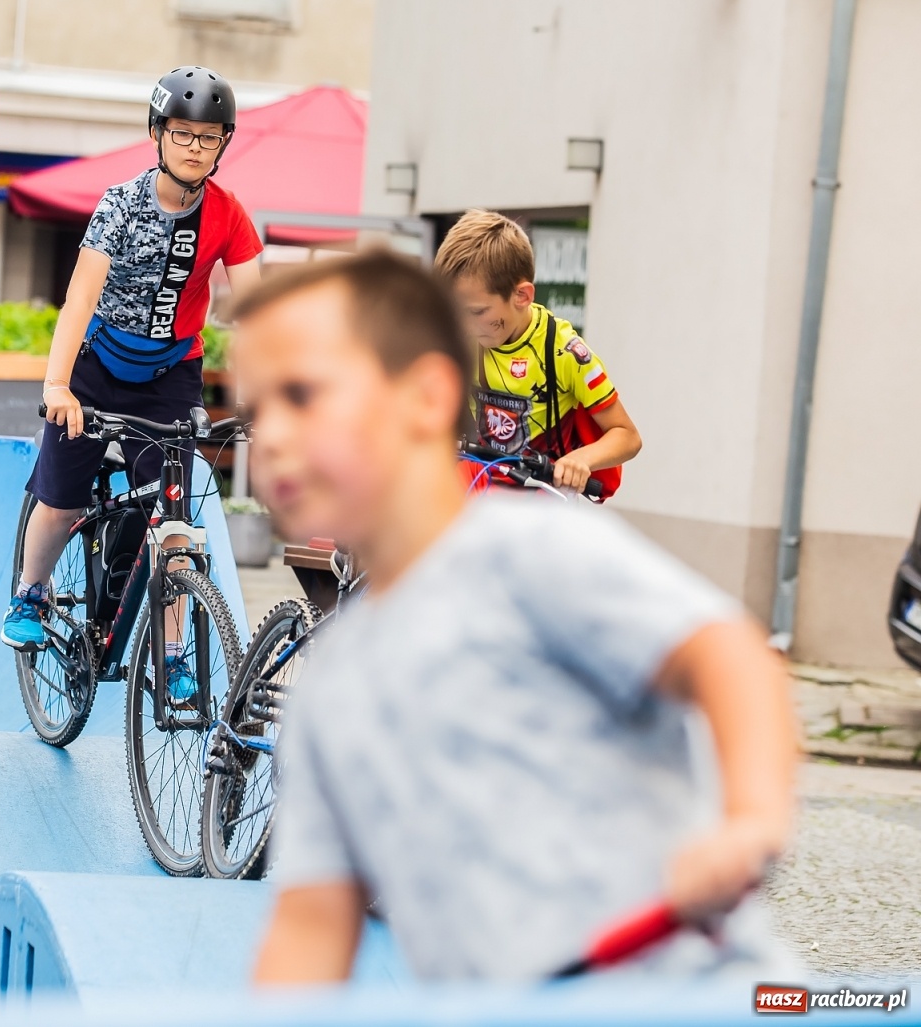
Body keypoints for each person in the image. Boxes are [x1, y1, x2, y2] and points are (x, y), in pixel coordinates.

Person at [231, 251, 797, 982]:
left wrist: (749, 821)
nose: (270, 434)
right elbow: (308, 928)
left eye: (303, 394)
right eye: (256, 409)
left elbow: (732, 657)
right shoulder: (329, 692)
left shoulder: (531, 551)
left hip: (688, 992)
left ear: (427, 397)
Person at [0, 65, 263, 707]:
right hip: (96, 371)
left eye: (209, 136)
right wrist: (58, 385)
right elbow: (78, 301)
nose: (195, 146)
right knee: (61, 500)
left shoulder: (228, 216)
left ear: (223, 144)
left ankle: (173, 655)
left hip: (171, 376)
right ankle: (32, 592)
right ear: (158, 134)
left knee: (174, 521)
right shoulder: (121, 203)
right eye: (182, 133)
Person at [436, 210, 640, 497]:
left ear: (522, 296)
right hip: (478, 485)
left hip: (542, 492)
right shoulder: (462, 340)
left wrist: (581, 460)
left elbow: (628, 436)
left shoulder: (564, 352)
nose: (466, 325)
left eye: (478, 312)